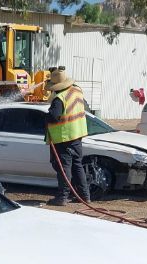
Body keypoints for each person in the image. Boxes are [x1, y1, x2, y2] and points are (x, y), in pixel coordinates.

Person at [44, 66, 90, 205]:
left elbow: (54, 117)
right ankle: (84, 196)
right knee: (77, 166)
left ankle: (62, 197)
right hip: (77, 134)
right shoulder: (76, 91)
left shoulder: (59, 98)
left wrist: (44, 117)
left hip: (64, 137)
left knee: (64, 168)